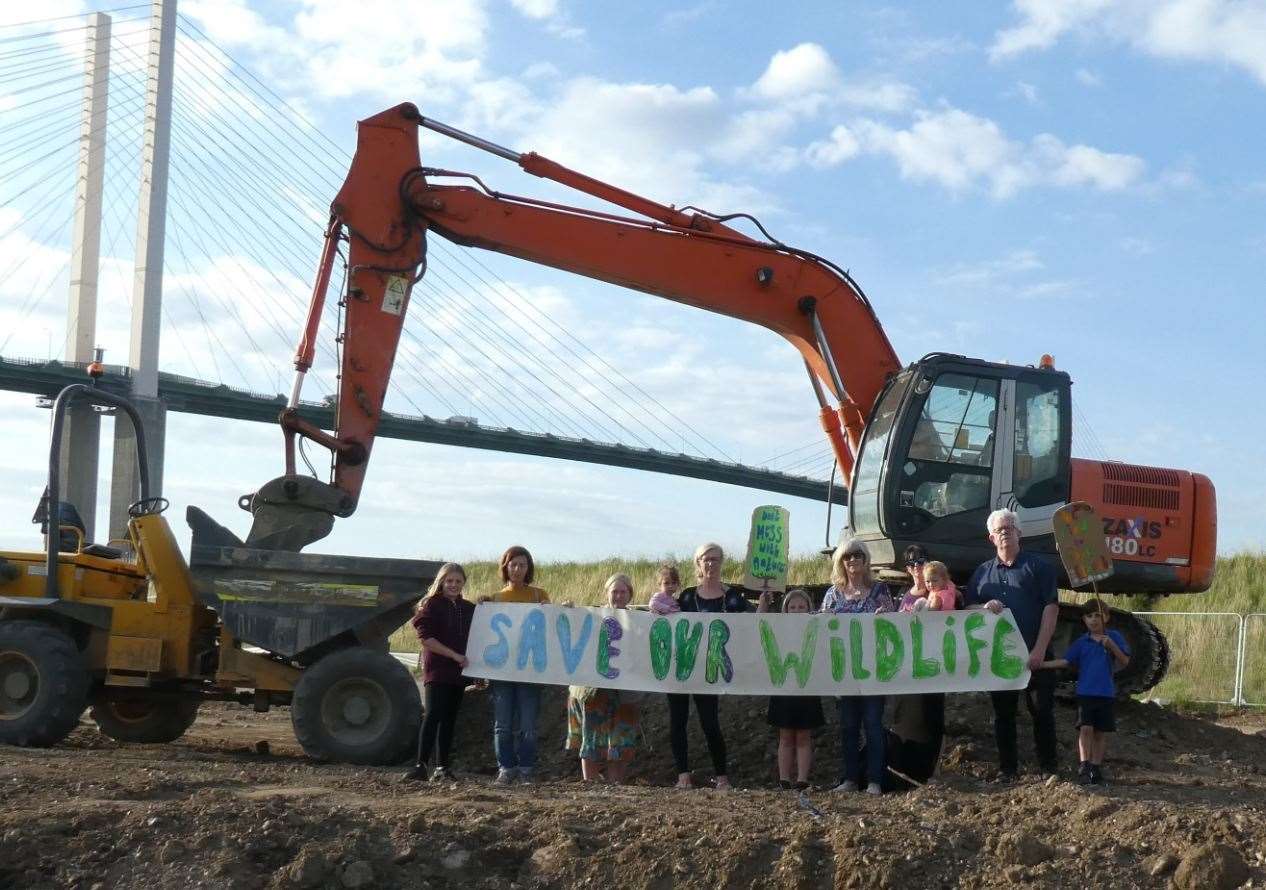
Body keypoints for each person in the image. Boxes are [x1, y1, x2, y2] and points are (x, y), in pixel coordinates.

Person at [965, 508, 1060, 780]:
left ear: (1020, 533)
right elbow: (967, 607)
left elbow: (1050, 608)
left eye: (1009, 527)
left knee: (1042, 713)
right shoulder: (982, 573)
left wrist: (1040, 650)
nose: (1005, 532)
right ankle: (1009, 770)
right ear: (991, 538)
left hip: (1036, 654)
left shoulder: (1038, 568)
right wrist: (983, 606)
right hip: (1000, 659)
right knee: (1003, 716)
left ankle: (1048, 769)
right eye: (999, 529)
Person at [669, 542, 749, 790]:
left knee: (710, 724)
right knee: (677, 722)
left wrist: (766, 603)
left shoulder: (733, 597)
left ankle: (722, 776)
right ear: (698, 563)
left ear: (721, 562)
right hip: (681, 668)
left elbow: (753, 623)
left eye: (715, 559)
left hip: (710, 671)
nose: (711, 563)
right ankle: (683, 775)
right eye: (706, 559)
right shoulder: (686, 596)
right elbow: (665, 617)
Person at [821, 539, 893, 795]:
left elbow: (894, 626)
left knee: (873, 724)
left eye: (858, 556)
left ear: (866, 561)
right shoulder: (832, 594)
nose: (853, 561)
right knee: (848, 726)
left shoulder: (879, 590)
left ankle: (875, 780)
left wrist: (884, 619)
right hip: (845, 671)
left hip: (873, 669)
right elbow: (821, 630)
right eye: (847, 557)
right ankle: (850, 779)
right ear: (841, 562)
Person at [1040, 600, 1130, 785]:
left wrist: (1111, 646)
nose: (1094, 620)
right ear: (1084, 619)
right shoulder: (1082, 642)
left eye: (1098, 615)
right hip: (1085, 692)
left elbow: (1125, 661)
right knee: (1085, 728)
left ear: (1106, 617)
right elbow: (1066, 661)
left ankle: (1096, 767)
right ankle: (1084, 764)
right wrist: (1040, 664)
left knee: (1100, 732)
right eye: (1089, 616)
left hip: (1105, 693)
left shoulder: (1114, 637)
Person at [403, 563, 477, 782]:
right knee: (434, 714)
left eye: (458, 581)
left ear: (463, 583)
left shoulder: (468, 608)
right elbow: (427, 639)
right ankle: (421, 765)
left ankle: (442, 767)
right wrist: (454, 656)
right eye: (449, 581)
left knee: (450, 719)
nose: (453, 585)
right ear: (442, 582)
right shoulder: (431, 605)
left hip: (459, 672)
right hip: (438, 670)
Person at [566, 573, 643, 783]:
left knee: (621, 738)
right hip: (593, 690)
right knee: (591, 737)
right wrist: (568, 611)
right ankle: (590, 783)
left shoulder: (640, 621)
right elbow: (571, 631)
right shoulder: (591, 616)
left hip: (625, 691)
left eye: (623, 591)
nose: (618, 596)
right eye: (614, 591)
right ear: (606, 593)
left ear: (630, 595)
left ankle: (615, 785)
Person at [490, 545, 550, 784]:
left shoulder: (539, 595)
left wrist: (554, 610)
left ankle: (526, 768)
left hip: (530, 670)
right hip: (502, 671)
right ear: (506, 567)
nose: (517, 569)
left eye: (522, 565)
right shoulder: (495, 599)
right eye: (513, 564)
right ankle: (506, 767)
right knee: (502, 725)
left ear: (528, 568)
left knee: (528, 725)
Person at [760, 588, 824, 789]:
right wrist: (762, 603)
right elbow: (758, 625)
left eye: (801, 606)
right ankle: (784, 779)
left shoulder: (816, 627)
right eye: (793, 607)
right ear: (786, 610)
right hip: (784, 687)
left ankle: (802, 780)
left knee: (804, 736)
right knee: (785, 735)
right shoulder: (779, 627)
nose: (797, 610)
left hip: (807, 687)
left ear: (809, 608)